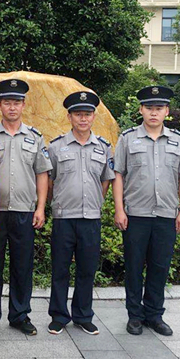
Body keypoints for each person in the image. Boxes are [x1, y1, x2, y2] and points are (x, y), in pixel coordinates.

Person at [113, 86, 180, 337]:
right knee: (134, 267)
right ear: (141, 110)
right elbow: (118, 174)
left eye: (159, 108)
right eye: (149, 108)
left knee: (160, 267)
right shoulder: (128, 139)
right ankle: (135, 316)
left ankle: (155, 315)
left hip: (166, 214)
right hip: (135, 214)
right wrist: (119, 209)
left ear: (167, 111)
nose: (153, 113)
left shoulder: (178, 141)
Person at [0, 79, 52, 336]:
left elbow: (42, 173)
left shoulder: (35, 137)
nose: (12, 107)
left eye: (16, 102)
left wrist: (40, 208)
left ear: (23, 105)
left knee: (22, 266)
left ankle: (20, 316)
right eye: (7, 102)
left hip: (24, 211)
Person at [47, 91, 115, 336]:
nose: (83, 119)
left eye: (87, 114)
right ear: (69, 117)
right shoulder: (56, 147)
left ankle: (83, 316)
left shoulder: (104, 147)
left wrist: (95, 202)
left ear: (93, 117)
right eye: (78, 114)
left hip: (90, 219)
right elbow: (49, 181)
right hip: (64, 218)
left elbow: (106, 181)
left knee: (87, 269)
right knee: (60, 269)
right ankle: (58, 316)